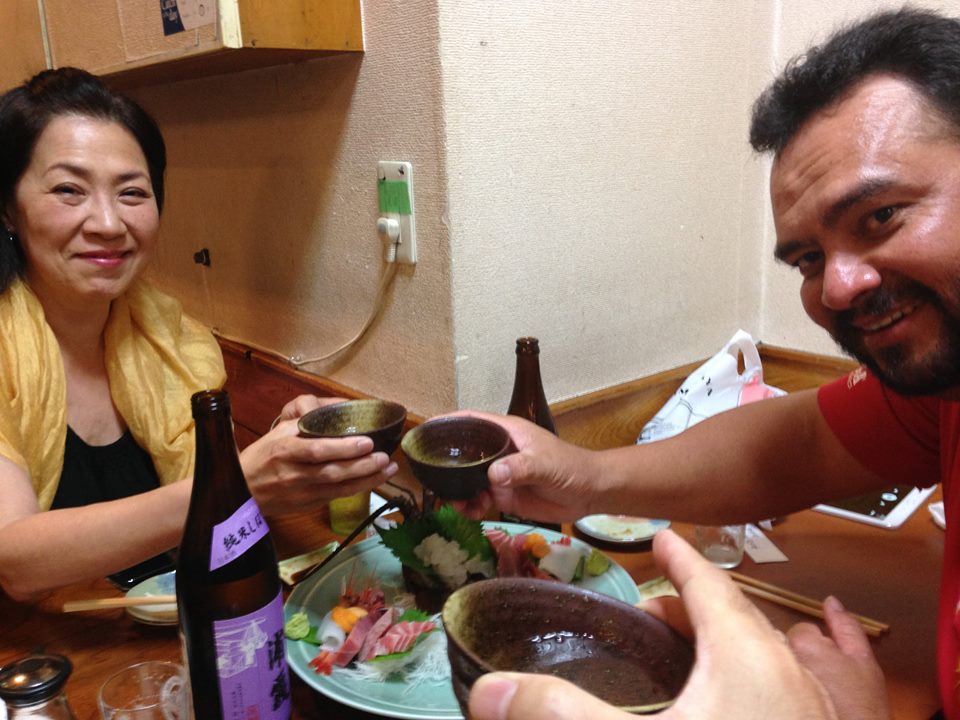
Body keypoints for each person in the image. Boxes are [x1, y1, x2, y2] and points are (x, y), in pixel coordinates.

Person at [461, 7, 960, 720]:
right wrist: (586, 480)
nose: (837, 288)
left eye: (881, 215)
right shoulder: (942, 392)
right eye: (808, 259)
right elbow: (800, 445)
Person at [0, 67, 398, 602]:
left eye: (132, 193)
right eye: (69, 190)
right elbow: (14, 559)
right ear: (9, 209)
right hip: (44, 647)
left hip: (180, 627)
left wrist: (286, 451)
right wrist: (234, 484)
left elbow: (217, 522)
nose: (109, 223)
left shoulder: (172, 341)